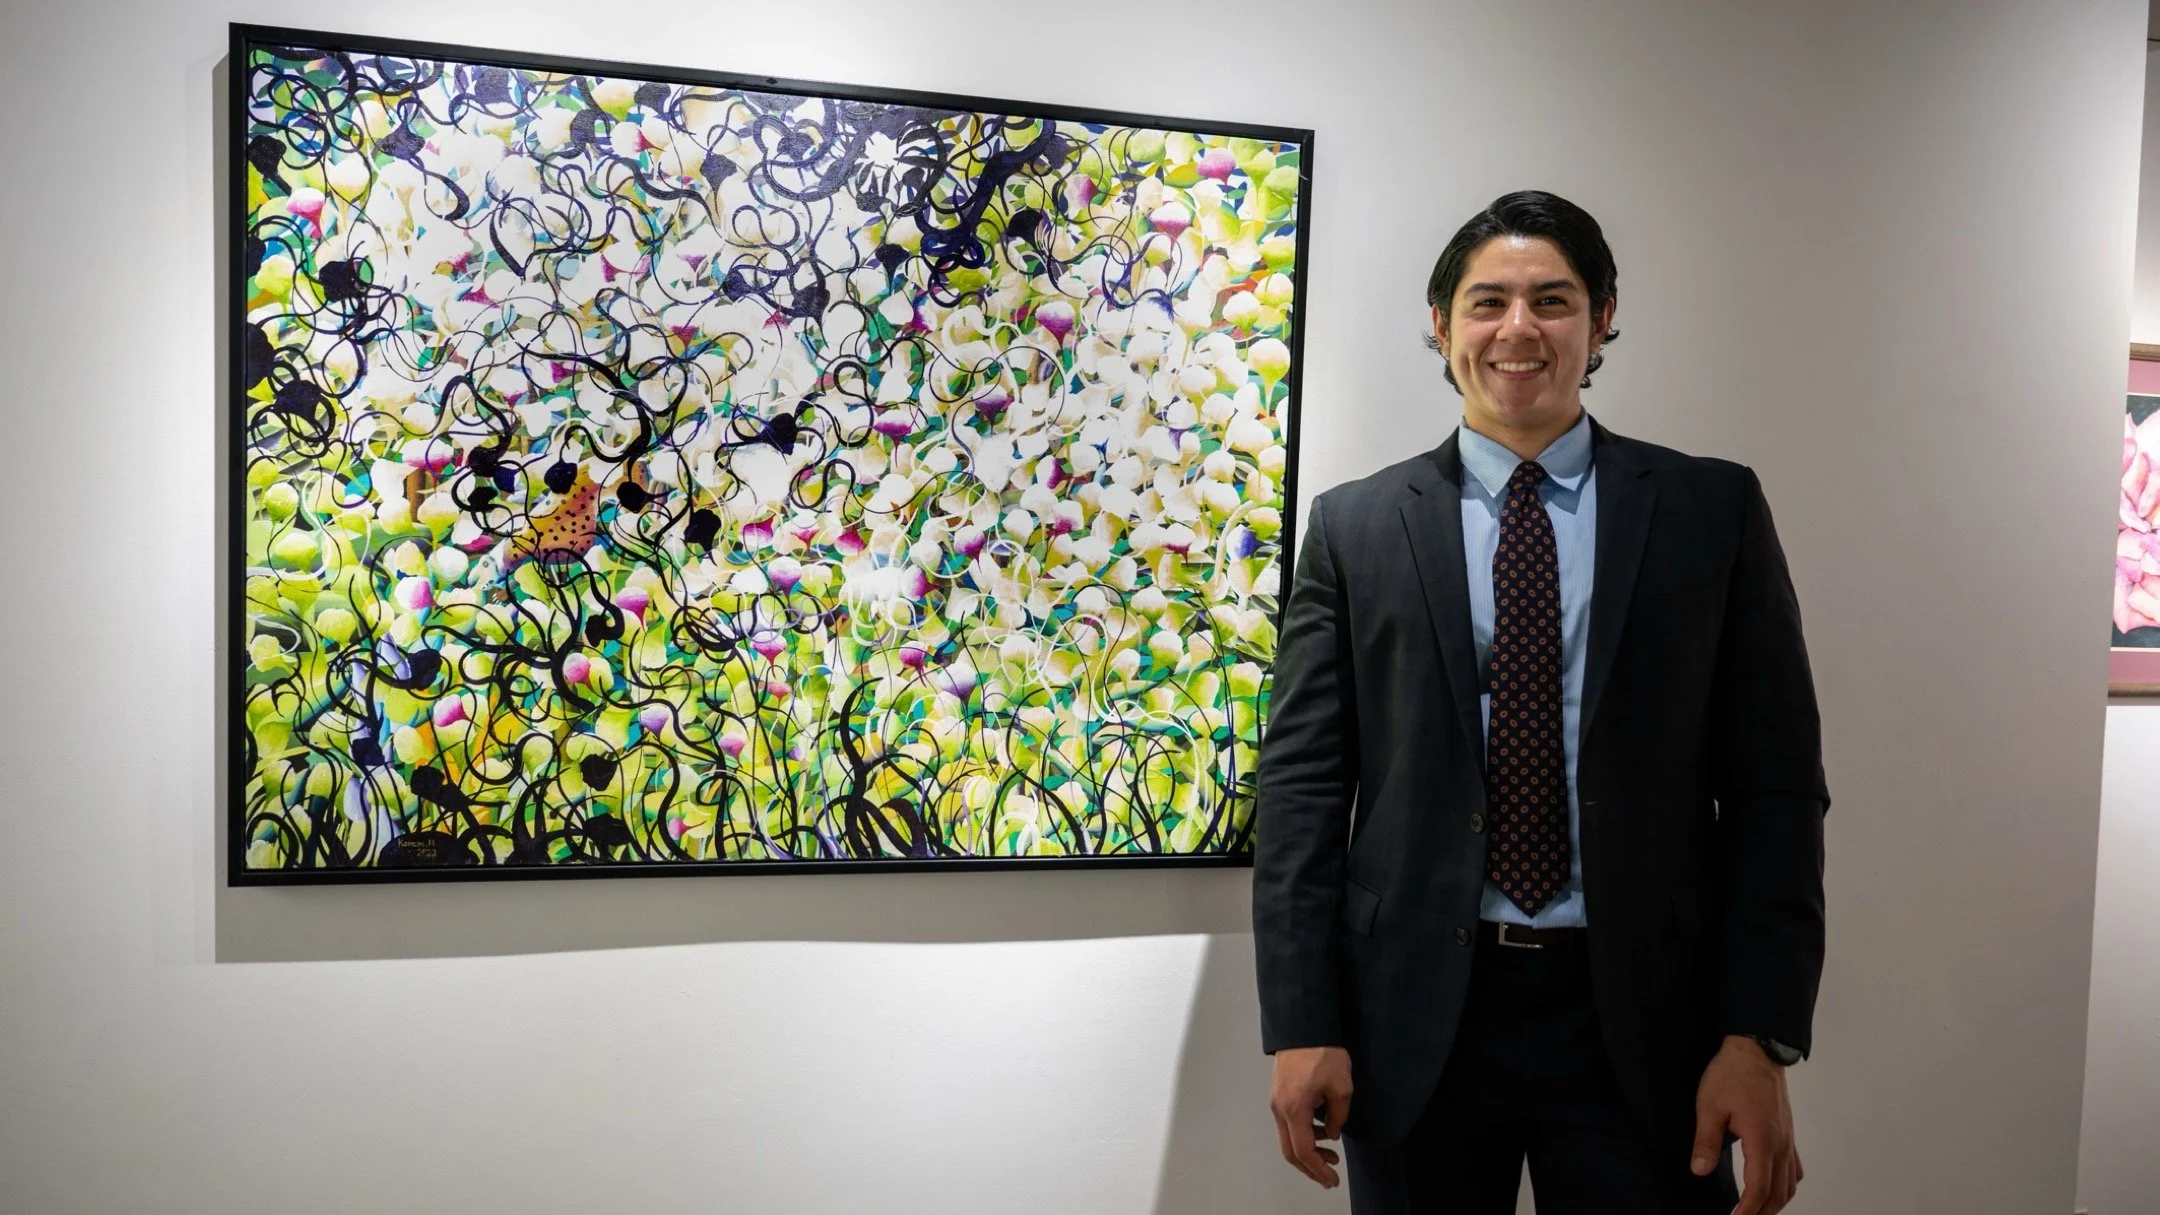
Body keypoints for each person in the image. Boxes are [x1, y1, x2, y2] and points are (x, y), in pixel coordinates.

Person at [1251, 190, 1827, 1215]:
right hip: (1415, 1022)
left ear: (1602, 318)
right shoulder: (1355, 528)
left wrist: (1758, 1038)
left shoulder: (1710, 510)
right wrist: (1301, 1020)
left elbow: (1776, 794)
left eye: (1552, 300)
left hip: (1646, 1023)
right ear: (1441, 325)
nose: (1519, 330)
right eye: (1488, 303)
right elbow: (1299, 796)